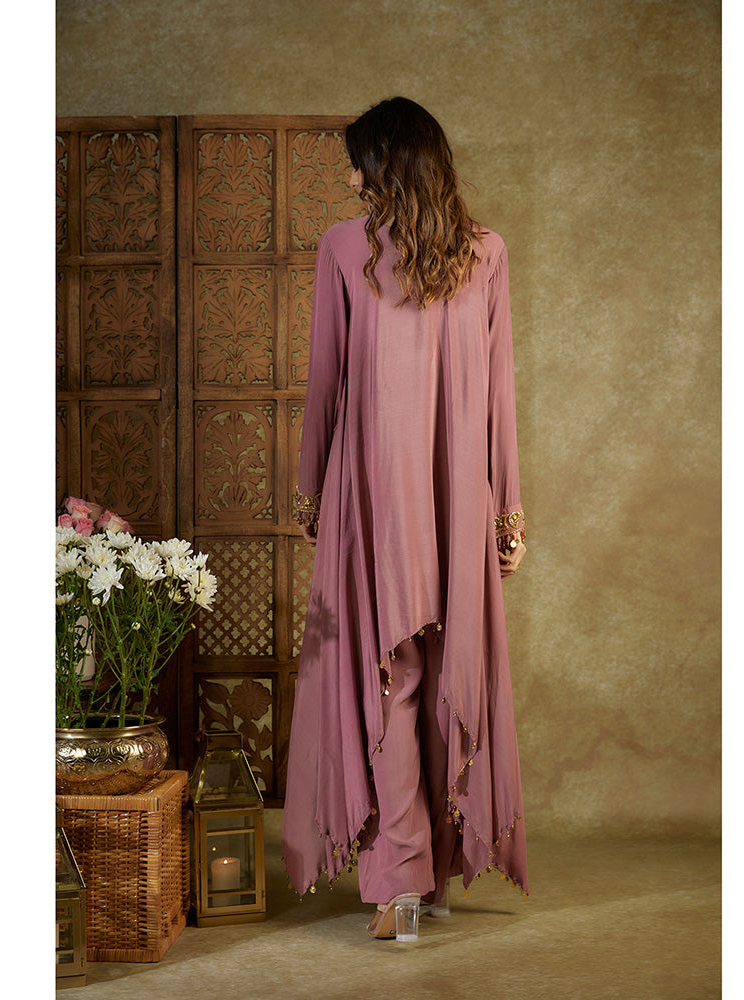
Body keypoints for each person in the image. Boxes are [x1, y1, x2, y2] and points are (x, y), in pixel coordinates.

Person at [281, 96, 528, 941]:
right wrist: (504, 511)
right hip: (436, 495)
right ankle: (415, 875)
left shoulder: (364, 249)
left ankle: (407, 877)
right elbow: (494, 397)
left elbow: (328, 380)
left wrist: (313, 493)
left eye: (357, 164)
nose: (350, 181)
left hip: (391, 495)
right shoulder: (469, 251)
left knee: (400, 677)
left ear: (385, 165)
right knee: (421, 674)